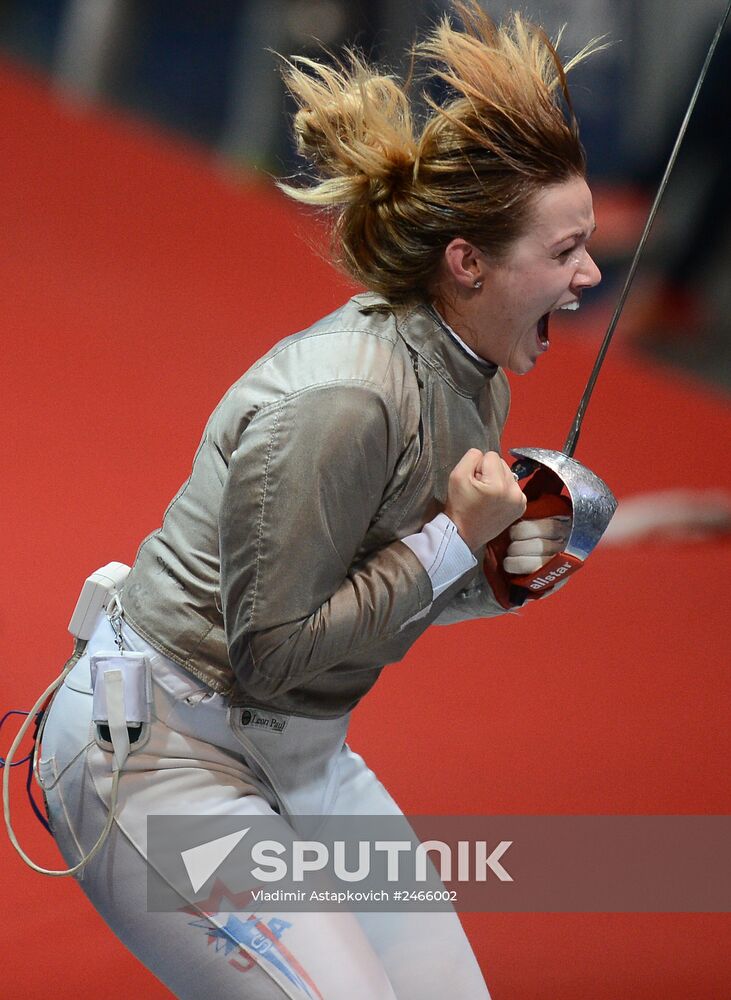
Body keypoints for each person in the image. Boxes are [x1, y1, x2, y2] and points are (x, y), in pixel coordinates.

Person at [38, 3, 602, 997]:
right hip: (159, 755)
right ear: (466, 262)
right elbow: (273, 647)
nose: (586, 274)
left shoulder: (476, 377)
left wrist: (502, 572)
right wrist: (449, 547)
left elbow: (375, 588)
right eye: (561, 252)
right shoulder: (343, 397)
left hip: (301, 755)